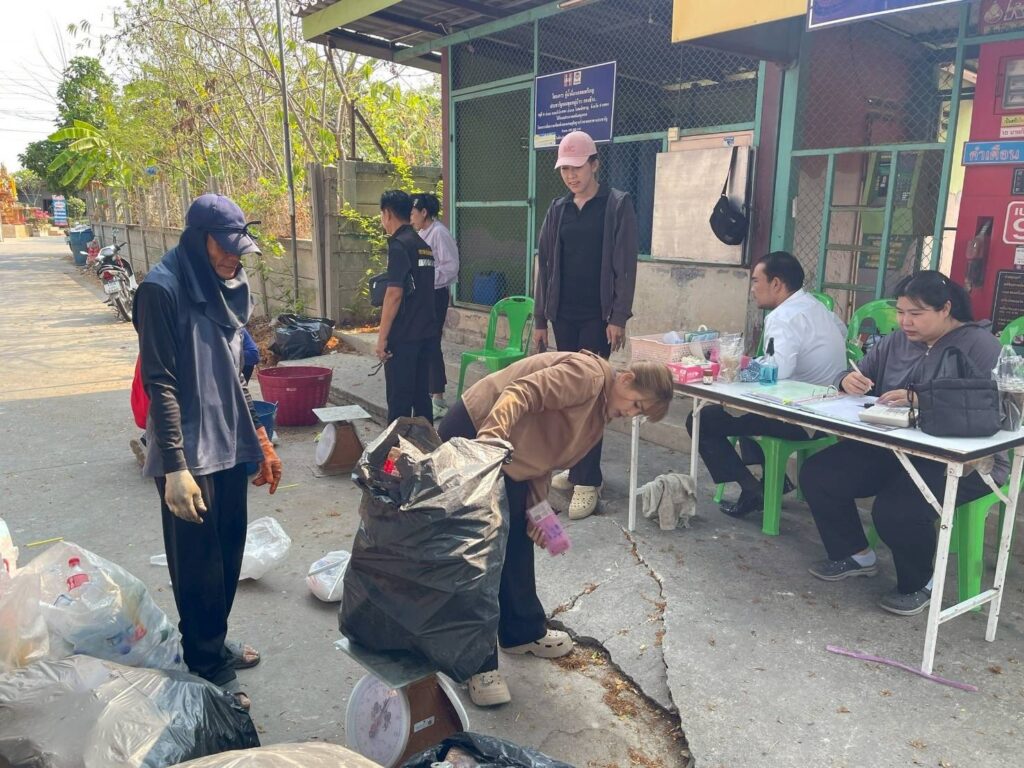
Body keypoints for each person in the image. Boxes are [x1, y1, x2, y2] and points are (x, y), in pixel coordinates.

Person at [437, 351, 673, 707]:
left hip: (509, 454)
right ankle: (478, 666)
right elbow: (520, 393)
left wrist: (541, 516)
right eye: (636, 404)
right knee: (482, 551)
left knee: (517, 538)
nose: (631, 414)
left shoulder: (598, 414)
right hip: (477, 432)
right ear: (626, 379)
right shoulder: (587, 377)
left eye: (639, 413)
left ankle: (521, 632)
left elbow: (541, 457)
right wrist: (489, 443)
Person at [134, 193, 283, 710]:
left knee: (228, 555)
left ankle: (212, 640)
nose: (234, 258)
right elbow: (160, 382)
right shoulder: (161, 290)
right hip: (188, 451)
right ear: (198, 240)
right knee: (197, 566)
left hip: (229, 439)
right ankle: (206, 664)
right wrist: (175, 467)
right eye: (224, 247)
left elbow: (236, 373)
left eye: (240, 249)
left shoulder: (227, 288)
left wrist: (259, 439)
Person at [799, 271, 1003, 616]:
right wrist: (847, 379)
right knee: (820, 474)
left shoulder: (981, 347)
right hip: (892, 446)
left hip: (964, 460)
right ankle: (855, 554)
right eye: (901, 312)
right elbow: (858, 374)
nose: (905, 322)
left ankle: (920, 583)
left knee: (898, 510)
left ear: (945, 309)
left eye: (916, 314)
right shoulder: (896, 342)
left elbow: (995, 407)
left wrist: (923, 399)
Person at [686, 251, 848, 519]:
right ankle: (776, 480)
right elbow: (842, 332)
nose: (752, 289)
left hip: (799, 417)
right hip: (829, 414)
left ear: (776, 284)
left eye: (755, 281)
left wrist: (738, 365)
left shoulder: (782, 316)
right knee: (746, 411)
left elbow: (778, 371)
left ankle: (752, 489)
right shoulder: (816, 306)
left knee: (702, 418)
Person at [533, 130, 639, 521]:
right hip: (564, 315)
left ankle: (588, 481)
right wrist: (541, 319)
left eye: (578, 168)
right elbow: (545, 264)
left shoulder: (616, 205)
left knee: (592, 395)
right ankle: (578, 469)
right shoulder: (558, 209)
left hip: (598, 318)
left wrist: (618, 316)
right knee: (569, 395)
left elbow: (625, 265)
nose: (571, 176)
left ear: (595, 164)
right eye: (565, 169)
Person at [376, 190, 436, 424]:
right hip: (425, 333)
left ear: (388, 213)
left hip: (403, 335)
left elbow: (394, 294)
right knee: (421, 397)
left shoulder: (399, 245)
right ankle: (426, 443)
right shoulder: (423, 245)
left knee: (399, 399)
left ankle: (395, 445)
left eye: (382, 214)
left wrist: (382, 338)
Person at [410, 191, 459, 420]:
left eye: (413, 212)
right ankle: (429, 394)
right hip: (423, 295)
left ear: (424, 212)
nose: (410, 216)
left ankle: (438, 398)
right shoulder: (421, 233)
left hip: (436, 294)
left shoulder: (439, 233)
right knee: (424, 342)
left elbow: (450, 267)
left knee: (431, 342)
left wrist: (426, 279)